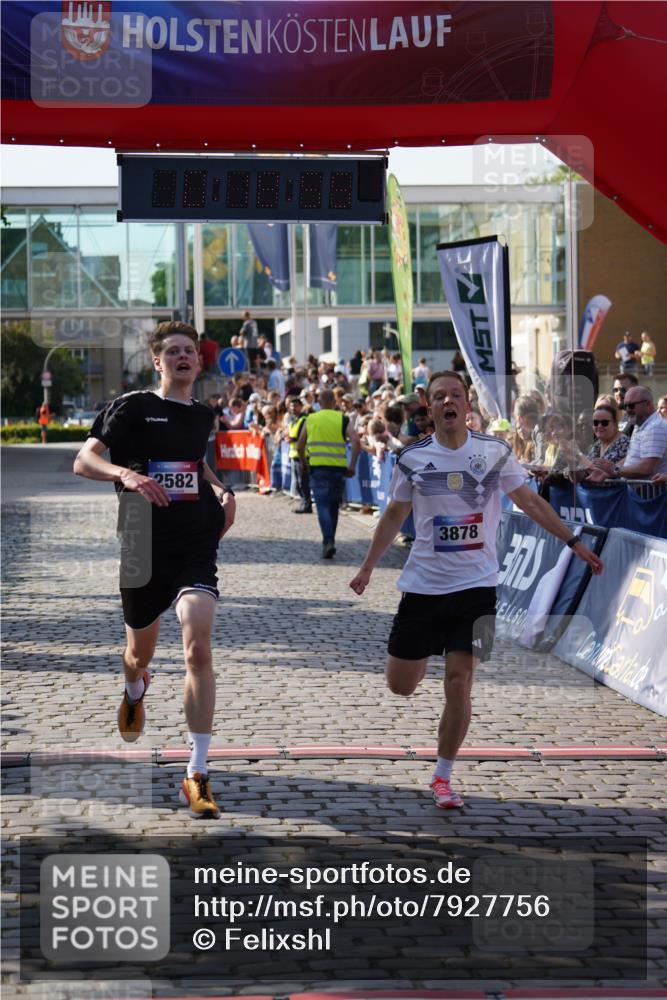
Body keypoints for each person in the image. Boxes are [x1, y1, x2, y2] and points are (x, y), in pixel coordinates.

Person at [349, 371, 603, 810]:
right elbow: (393, 515)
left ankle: (443, 777)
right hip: (423, 588)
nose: (449, 401)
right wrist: (369, 566)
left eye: (456, 395)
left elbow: (531, 502)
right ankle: (426, 653)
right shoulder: (413, 458)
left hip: (478, 588)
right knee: (401, 685)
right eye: (439, 396)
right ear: (429, 408)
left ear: (468, 405)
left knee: (460, 682)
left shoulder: (495, 452)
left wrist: (574, 541)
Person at [73, 321, 236, 820]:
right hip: (142, 540)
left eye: (189, 350)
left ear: (198, 363)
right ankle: (134, 687)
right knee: (138, 651)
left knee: (198, 644)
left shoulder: (203, 414)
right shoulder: (133, 407)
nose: (183, 356)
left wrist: (222, 489)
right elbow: (84, 460)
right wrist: (126, 474)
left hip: (194, 539)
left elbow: (194, 462)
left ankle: (197, 772)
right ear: (158, 361)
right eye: (172, 351)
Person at [297, 387, 360, 559]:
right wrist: (352, 465)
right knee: (333, 506)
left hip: (318, 469)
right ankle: (330, 539)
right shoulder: (342, 419)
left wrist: (303, 463)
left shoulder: (310, 419)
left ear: (319, 402)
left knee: (323, 506)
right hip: (339, 470)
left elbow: (299, 445)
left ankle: (328, 540)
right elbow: (356, 440)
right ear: (334, 402)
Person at [588, 386, 667, 481]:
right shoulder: (640, 425)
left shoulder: (655, 427)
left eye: (631, 405)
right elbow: (630, 459)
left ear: (648, 404)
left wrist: (614, 469)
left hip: (649, 494)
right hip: (637, 493)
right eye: (625, 406)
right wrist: (606, 473)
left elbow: (647, 467)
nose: (628, 410)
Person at [286, 395, 311, 514]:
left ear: (301, 406)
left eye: (295, 406)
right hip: (294, 454)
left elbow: (303, 436)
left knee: (303, 482)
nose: (293, 408)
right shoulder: (293, 420)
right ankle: (304, 502)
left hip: (303, 455)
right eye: (291, 406)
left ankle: (306, 504)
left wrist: (292, 439)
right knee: (298, 484)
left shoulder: (304, 419)